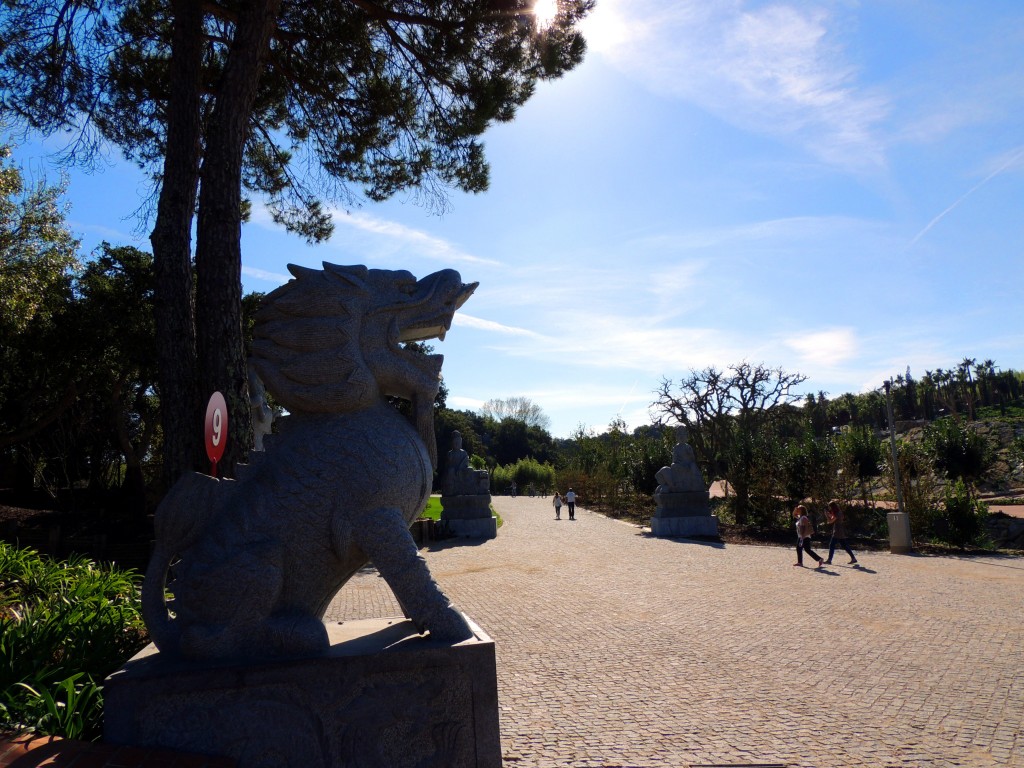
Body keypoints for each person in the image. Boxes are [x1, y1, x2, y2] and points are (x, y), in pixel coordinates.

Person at [824, 500, 858, 565]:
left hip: (837, 530)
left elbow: (830, 521)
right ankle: (853, 558)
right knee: (844, 545)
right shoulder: (839, 512)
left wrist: (826, 515)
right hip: (840, 529)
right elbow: (834, 517)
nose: (830, 508)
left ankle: (829, 560)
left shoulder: (837, 513)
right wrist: (829, 514)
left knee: (832, 545)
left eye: (830, 507)